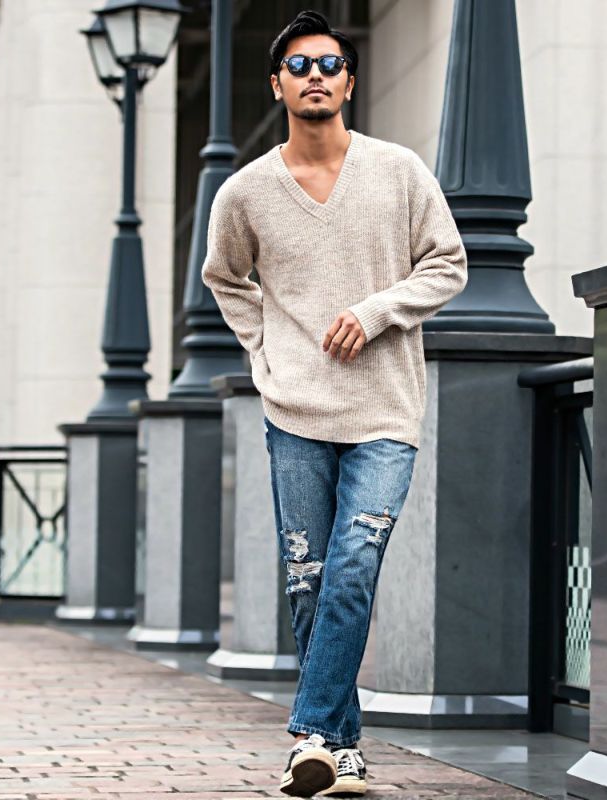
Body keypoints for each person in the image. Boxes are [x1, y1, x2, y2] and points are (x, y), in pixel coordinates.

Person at [201, 9, 467, 797]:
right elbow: (224, 278)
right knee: (308, 578)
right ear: (276, 84)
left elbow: (447, 264)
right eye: (298, 66)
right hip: (295, 413)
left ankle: (312, 735)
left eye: (328, 64)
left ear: (349, 81)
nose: (314, 76)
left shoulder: (399, 171)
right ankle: (342, 750)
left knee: (354, 564)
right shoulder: (246, 193)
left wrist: (377, 310)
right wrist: (266, 353)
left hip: (385, 411)